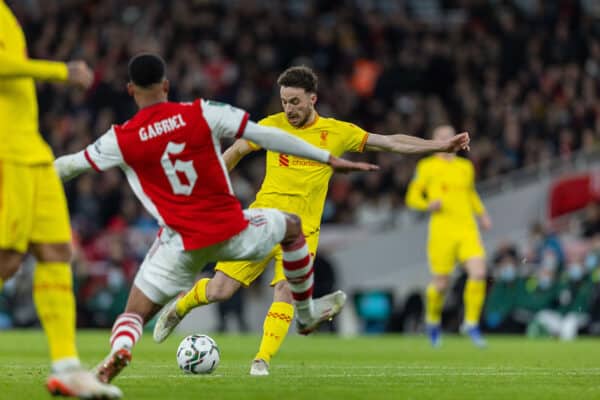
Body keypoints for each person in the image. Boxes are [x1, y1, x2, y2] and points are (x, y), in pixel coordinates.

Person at [53, 53, 378, 385]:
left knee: (136, 313)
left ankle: (119, 352)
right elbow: (266, 136)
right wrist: (327, 158)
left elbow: (68, 166)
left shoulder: (120, 137)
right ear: (166, 85)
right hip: (229, 228)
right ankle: (306, 314)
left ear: (130, 90)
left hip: (178, 242)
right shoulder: (200, 111)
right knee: (291, 228)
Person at [154, 65, 471, 376]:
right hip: (261, 221)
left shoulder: (336, 132)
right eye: (284, 101)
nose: (288, 109)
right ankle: (181, 306)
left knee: (285, 292)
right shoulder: (272, 126)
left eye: (294, 101)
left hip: (304, 231)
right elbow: (236, 151)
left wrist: (439, 146)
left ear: (312, 99)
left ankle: (261, 360)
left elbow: (390, 142)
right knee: (221, 290)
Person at [0, 1, 122, 398]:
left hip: (33, 152)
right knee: (6, 260)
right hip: (5, 153)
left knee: (56, 252)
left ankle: (66, 367)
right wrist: (60, 72)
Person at [405, 125, 492, 348]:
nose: (446, 140)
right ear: (434, 140)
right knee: (441, 285)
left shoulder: (465, 166)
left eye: (449, 136)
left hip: (466, 228)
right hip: (442, 231)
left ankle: (470, 323)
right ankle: (432, 320)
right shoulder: (426, 166)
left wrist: (482, 214)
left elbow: (471, 193)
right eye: (441, 136)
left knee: (479, 273)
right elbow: (411, 196)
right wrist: (427, 204)